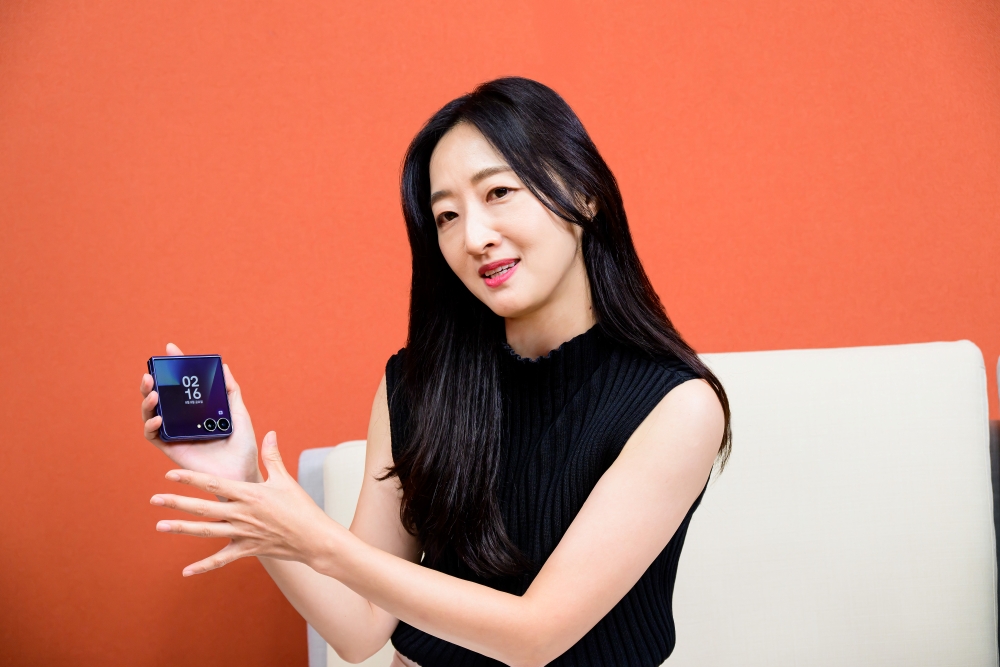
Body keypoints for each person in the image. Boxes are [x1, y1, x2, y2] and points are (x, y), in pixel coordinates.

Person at [139, 77, 731, 667]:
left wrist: (319, 541)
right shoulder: (418, 385)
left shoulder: (676, 405)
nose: (473, 237)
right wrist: (246, 484)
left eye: (498, 192)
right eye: (446, 215)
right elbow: (359, 629)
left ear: (584, 192)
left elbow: (535, 636)